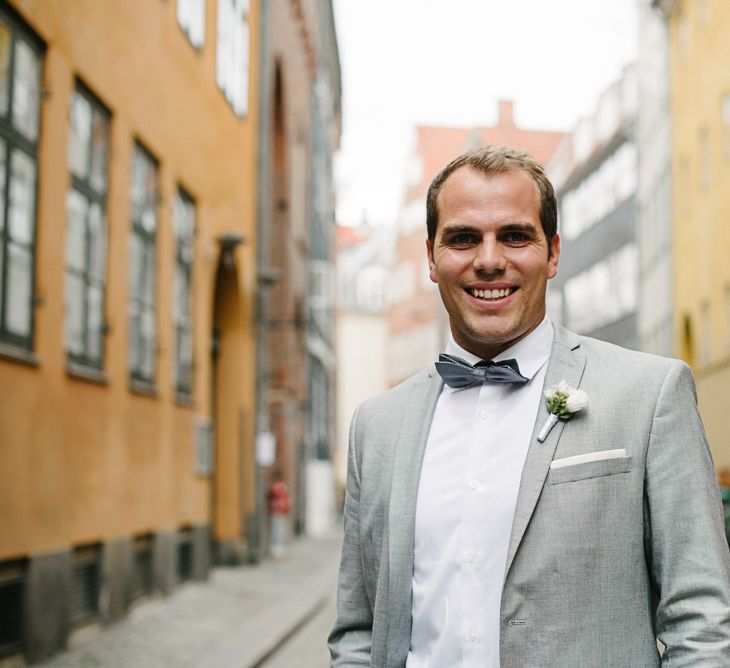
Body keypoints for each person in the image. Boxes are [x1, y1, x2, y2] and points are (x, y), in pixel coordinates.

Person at [328, 145, 730, 667]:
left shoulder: (649, 395)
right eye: (463, 238)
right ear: (431, 257)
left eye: (515, 236)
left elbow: (700, 619)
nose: (489, 260)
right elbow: (359, 631)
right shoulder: (376, 427)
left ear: (553, 252)